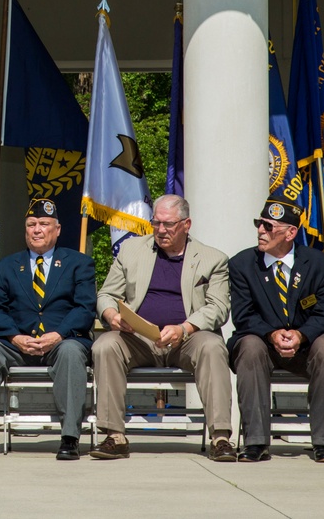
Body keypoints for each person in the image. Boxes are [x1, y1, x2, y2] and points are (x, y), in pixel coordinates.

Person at [89, 194, 237, 462]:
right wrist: (111, 314)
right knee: (105, 345)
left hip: (187, 338)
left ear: (186, 224)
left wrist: (184, 328)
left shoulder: (213, 259)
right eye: (156, 223)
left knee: (214, 346)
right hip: (138, 337)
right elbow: (106, 295)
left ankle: (221, 438)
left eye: (168, 224)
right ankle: (114, 436)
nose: (160, 230)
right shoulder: (131, 250)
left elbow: (217, 308)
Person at [0, 199, 96, 461]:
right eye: (31, 224)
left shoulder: (78, 263)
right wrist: (16, 337)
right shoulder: (6, 267)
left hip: (62, 342)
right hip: (17, 344)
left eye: (44, 224)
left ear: (57, 230)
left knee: (72, 352)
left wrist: (58, 335)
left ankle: (70, 437)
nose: (37, 229)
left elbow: (85, 308)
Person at [227, 198, 324, 463]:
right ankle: (255, 441)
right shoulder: (242, 264)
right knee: (249, 346)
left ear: (291, 232)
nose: (260, 231)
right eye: (259, 224)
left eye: (268, 227)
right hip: (263, 344)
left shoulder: (320, 264)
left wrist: (300, 335)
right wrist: (272, 334)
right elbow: (243, 315)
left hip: (306, 345)